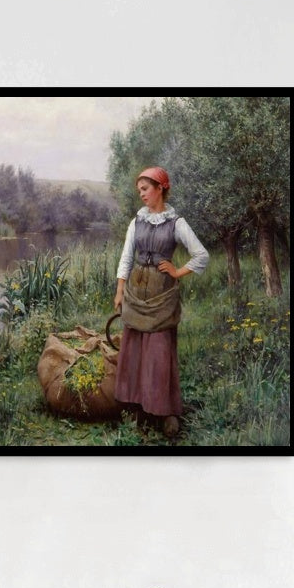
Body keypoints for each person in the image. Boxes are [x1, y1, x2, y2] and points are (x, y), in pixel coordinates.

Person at [113, 167, 209, 439]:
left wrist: (178, 272)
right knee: (134, 349)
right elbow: (126, 257)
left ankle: (166, 411)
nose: (141, 194)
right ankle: (137, 406)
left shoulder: (176, 222)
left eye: (145, 189)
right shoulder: (137, 221)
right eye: (139, 190)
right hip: (135, 291)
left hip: (162, 294)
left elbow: (201, 255)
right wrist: (120, 290)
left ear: (160, 188)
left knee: (159, 351)